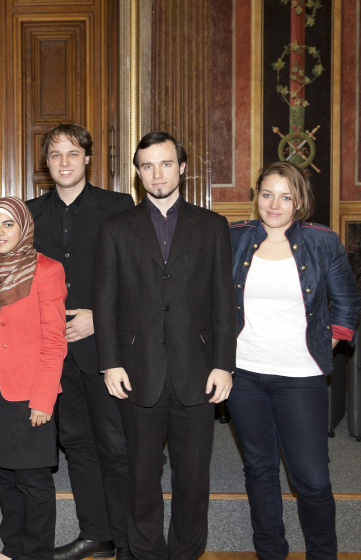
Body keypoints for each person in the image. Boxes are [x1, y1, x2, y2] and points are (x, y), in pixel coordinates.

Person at [93, 131, 236, 560]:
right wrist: (110, 363)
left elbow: (224, 301)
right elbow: (104, 302)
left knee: (193, 480)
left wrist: (224, 364)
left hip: (199, 370)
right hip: (137, 371)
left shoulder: (212, 226)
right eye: (148, 166)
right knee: (141, 477)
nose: (158, 174)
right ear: (138, 173)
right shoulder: (116, 228)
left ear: (183, 167)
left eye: (166, 163)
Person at [228, 161, 361, 560]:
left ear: (299, 201)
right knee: (260, 471)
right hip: (244, 375)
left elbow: (347, 301)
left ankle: (323, 555)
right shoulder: (233, 237)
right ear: (256, 196)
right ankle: (271, 553)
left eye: (286, 196)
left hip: (299, 376)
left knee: (313, 479)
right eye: (267, 194)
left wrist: (331, 341)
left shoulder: (322, 241)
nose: (275, 204)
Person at [26, 123, 135, 560]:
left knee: (115, 444)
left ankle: (129, 539)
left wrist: (99, 320)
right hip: (52, 352)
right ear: (46, 164)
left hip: (104, 349)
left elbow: (138, 280)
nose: (65, 162)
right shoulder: (30, 213)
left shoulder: (119, 206)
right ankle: (97, 533)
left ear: (88, 158)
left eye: (73, 153)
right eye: (56, 155)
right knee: (76, 444)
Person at [0, 197, 67, 560]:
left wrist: (43, 399)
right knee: (2, 475)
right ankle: (13, 548)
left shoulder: (47, 270)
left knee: (33, 481)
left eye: (8, 224)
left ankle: (38, 552)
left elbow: (54, 340)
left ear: (24, 227)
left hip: (32, 392)